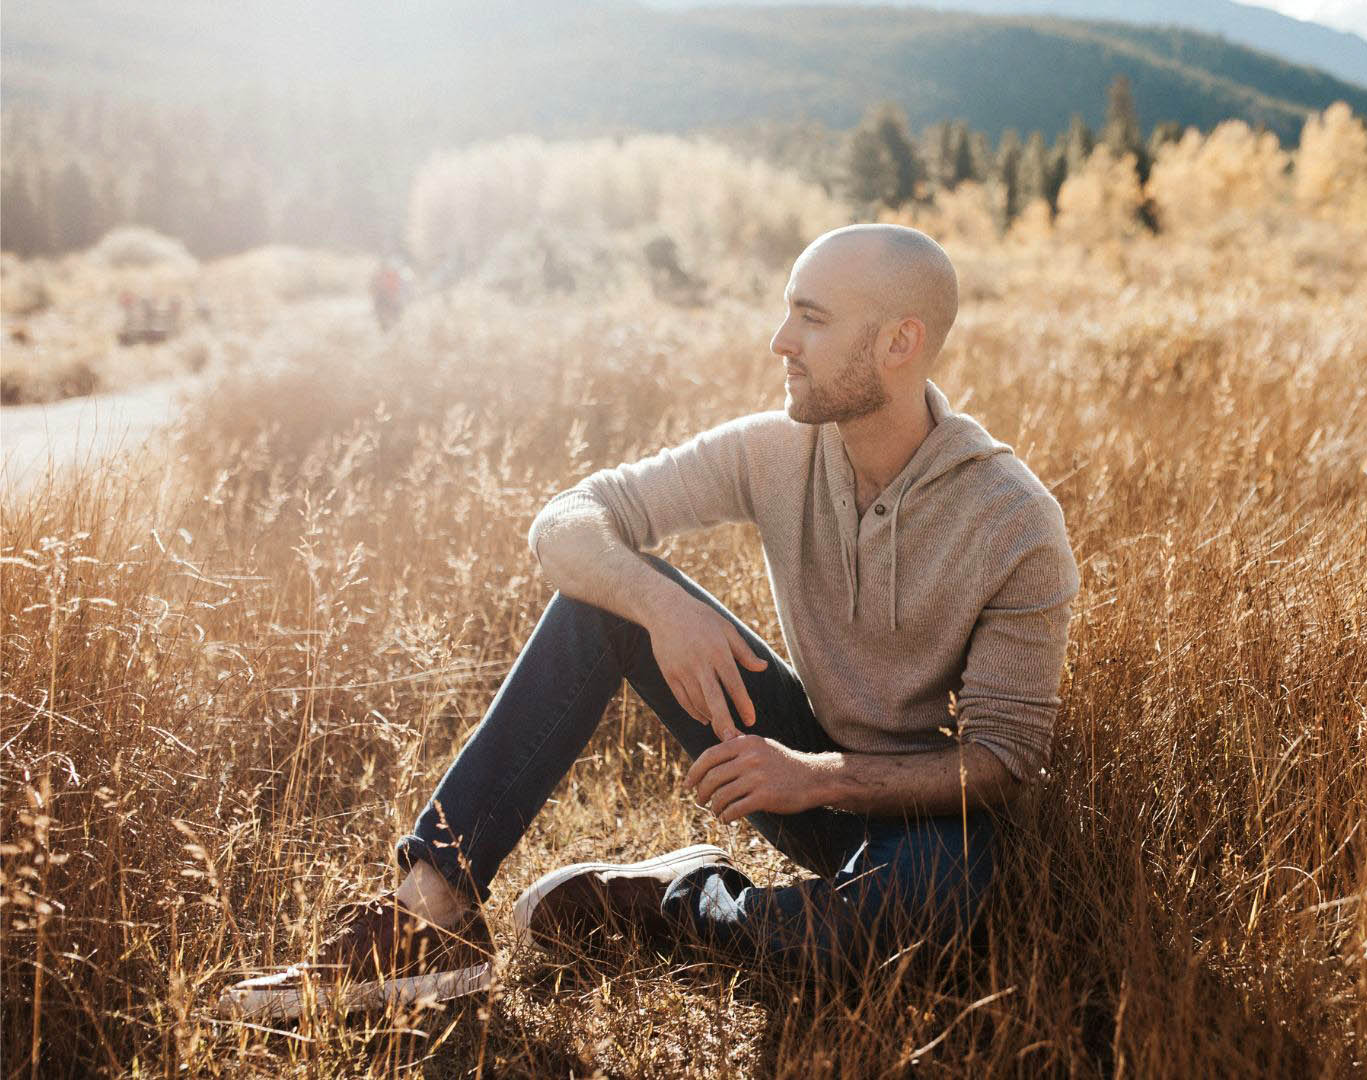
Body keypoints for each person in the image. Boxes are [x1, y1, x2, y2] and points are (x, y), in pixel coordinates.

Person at [217, 224, 1081, 1019]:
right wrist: (661, 606)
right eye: (786, 311)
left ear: (900, 343)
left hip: (926, 823)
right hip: (783, 760)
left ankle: (679, 896)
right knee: (603, 599)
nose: (780, 341)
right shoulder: (774, 448)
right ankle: (432, 910)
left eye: (810, 319)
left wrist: (814, 777)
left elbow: (1003, 763)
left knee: (922, 914)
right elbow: (567, 522)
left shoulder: (1012, 522)